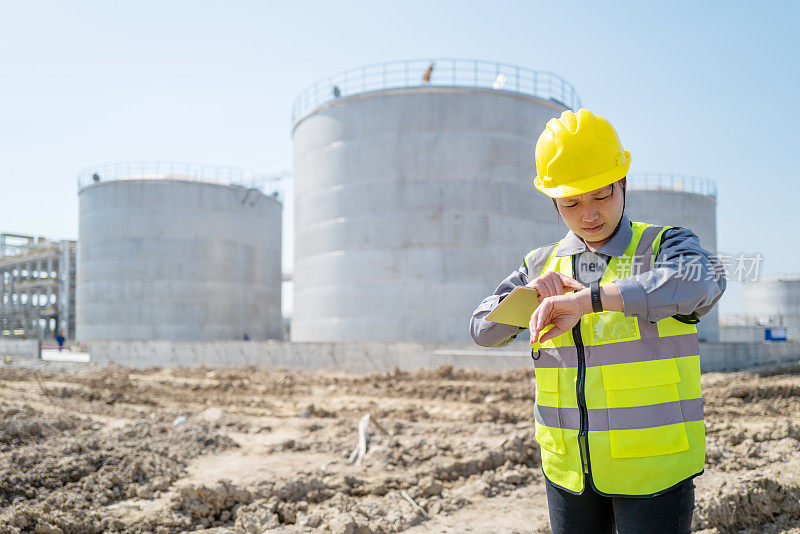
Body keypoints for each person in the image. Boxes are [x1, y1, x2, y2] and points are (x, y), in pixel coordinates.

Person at [469, 109, 726, 533]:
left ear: (621, 183)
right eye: (571, 202)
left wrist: (590, 301)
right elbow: (481, 330)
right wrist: (533, 297)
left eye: (601, 195)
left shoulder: (662, 246)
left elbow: (703, 280)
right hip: (569, 474)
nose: (588, 213)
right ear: (554, 201)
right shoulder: (539, 264)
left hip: (653, 472)